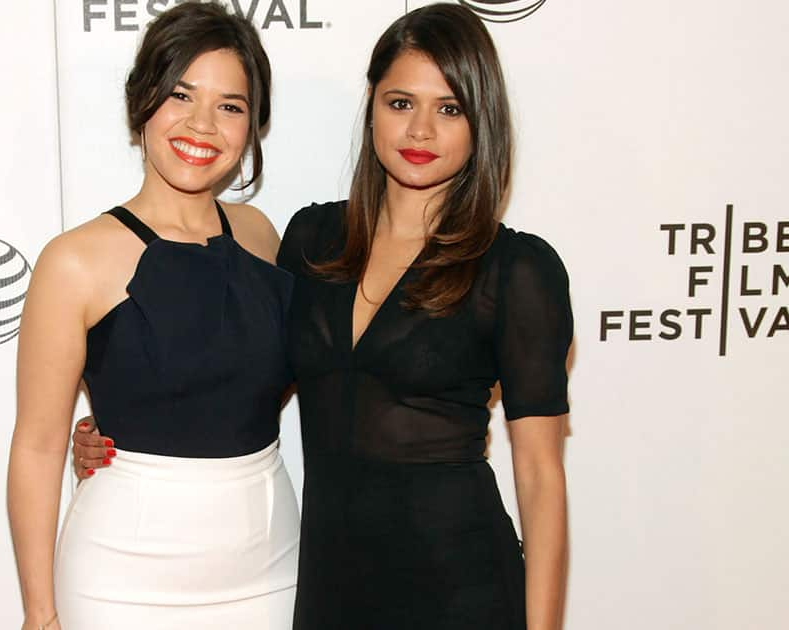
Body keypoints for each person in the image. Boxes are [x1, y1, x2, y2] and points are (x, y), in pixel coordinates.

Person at [74, 4, 571, 629]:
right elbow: (247, 374)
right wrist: (128, 417)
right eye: (400, 103)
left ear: (481, 121)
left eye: (449, 108)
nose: (420, 131)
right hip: (328, 586)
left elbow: (540, 474)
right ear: (371, 105)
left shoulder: (516, 269)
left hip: (460, 584)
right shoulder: (314, 240)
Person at [6, 4, 299, 630]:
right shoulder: (74, 261)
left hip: (271, 566)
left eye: (231, 105)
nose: (203, 124)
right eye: (180, 95)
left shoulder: (261, 237)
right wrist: (38, 613)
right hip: (122, 577)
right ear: (142, 103)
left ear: (252, 126)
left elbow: (267, 377)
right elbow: (36, 444)